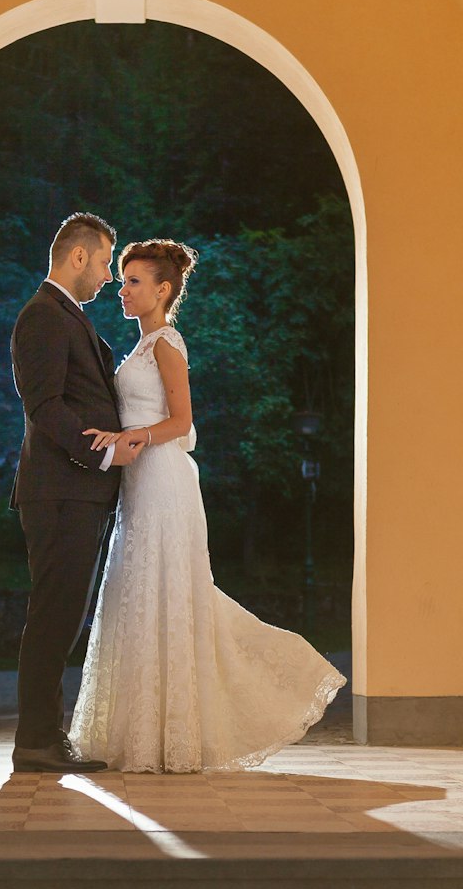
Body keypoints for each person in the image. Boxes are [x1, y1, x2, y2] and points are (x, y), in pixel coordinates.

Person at [70, 238, 346, 773]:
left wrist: (126, 438)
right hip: (140, 482)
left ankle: (182, 735)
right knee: (140, 594)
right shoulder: (140, 345)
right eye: (122, 279)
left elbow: (181, 423)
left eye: (133, 282)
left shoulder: (167, 343)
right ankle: (142, 736)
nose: (122, 291)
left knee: (170, 594)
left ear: (163, 290)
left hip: (164, 480)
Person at [8, 212, 146, 773]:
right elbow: (44, 408)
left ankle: (42, 737)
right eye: (108, 262)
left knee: (61, 615)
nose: (110, 277)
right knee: (54, 616)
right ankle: (36, 741)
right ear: (80, 256)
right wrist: (105, 453)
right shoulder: (43, 316)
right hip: (61, 490)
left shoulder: (66, 316)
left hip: (76, 494)